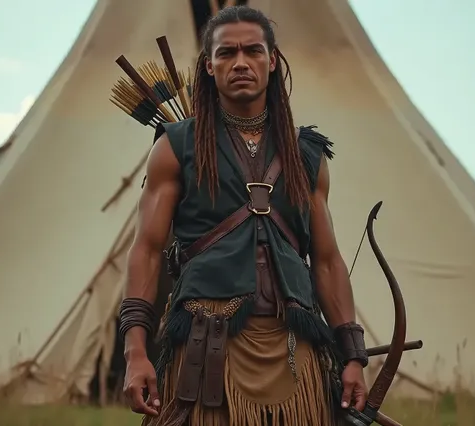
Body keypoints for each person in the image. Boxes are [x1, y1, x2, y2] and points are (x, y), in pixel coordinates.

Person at [118, 5, 369, 425]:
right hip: (206, 346)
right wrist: (135, 351)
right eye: (226, 53)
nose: (240, 63)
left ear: (272, 61)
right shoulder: (175, 146)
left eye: (253, 51)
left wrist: (353, 355)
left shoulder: (307, 154)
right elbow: (145, 251)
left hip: (296, 350)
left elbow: (326, 260)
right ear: (208, 65)